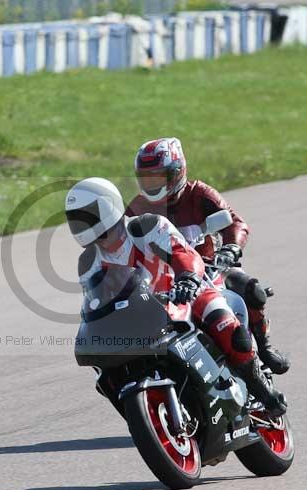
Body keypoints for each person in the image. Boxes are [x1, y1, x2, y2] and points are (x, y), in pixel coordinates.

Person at [65, 177, 287, 416]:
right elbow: (95, 299)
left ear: (108, 207)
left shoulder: (147, 227)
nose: (82, 225)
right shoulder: (88, 261)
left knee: (231, 334)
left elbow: (183, 253)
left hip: (187, 293)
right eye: (76, 219)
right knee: (107, 367)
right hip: (142, 314)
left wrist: (188, 278)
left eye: (87, 216)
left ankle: (265, 394)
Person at [125, 137, 290, 375]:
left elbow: (235, 223)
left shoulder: (200, 194)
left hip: (211, 270)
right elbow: (122, 244)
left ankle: (263, 350)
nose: (153, 184)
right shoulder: (137, 207)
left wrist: (231, 248)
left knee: (251, 288)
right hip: (162, 282)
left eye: (160, 177)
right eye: (147, 178)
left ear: (178, 172)